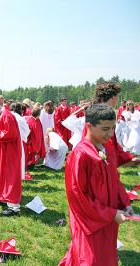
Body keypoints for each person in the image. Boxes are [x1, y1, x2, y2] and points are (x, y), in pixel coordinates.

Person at [59, 104, 134, 266]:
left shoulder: (107, 148)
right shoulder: (80, 155)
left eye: (113, 128)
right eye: (105, 129)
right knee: (90, 259)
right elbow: (79, 196)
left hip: (108, 218)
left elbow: (115, 179)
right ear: (89, 127)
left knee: (105, 257)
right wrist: (110, 214)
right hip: (90, 221)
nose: (111, 134)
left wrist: (124, 203)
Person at [0, 104, 22, 217]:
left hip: (10, 151)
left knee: (10, 176)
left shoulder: (6, 116)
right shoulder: (2, 115)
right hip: (5, 149)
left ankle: (14, 208)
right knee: (2, 173)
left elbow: (10, 134)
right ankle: (3, 198)